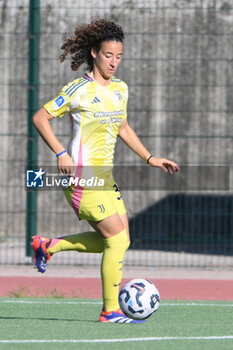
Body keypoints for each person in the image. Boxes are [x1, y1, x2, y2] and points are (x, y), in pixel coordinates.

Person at [32, 18, 180, 324]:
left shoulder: (120, 89)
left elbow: (123, 127)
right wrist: (60, 152)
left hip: (105, 178)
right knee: (116, 240)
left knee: (120, 239)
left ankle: (48, 245)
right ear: (94, 53)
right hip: (81, 178)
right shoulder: (78, 90)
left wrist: (149, 157)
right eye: (108, 55)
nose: (114, 62)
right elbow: (40, 118)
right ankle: (109, 311)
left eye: (119, 56)